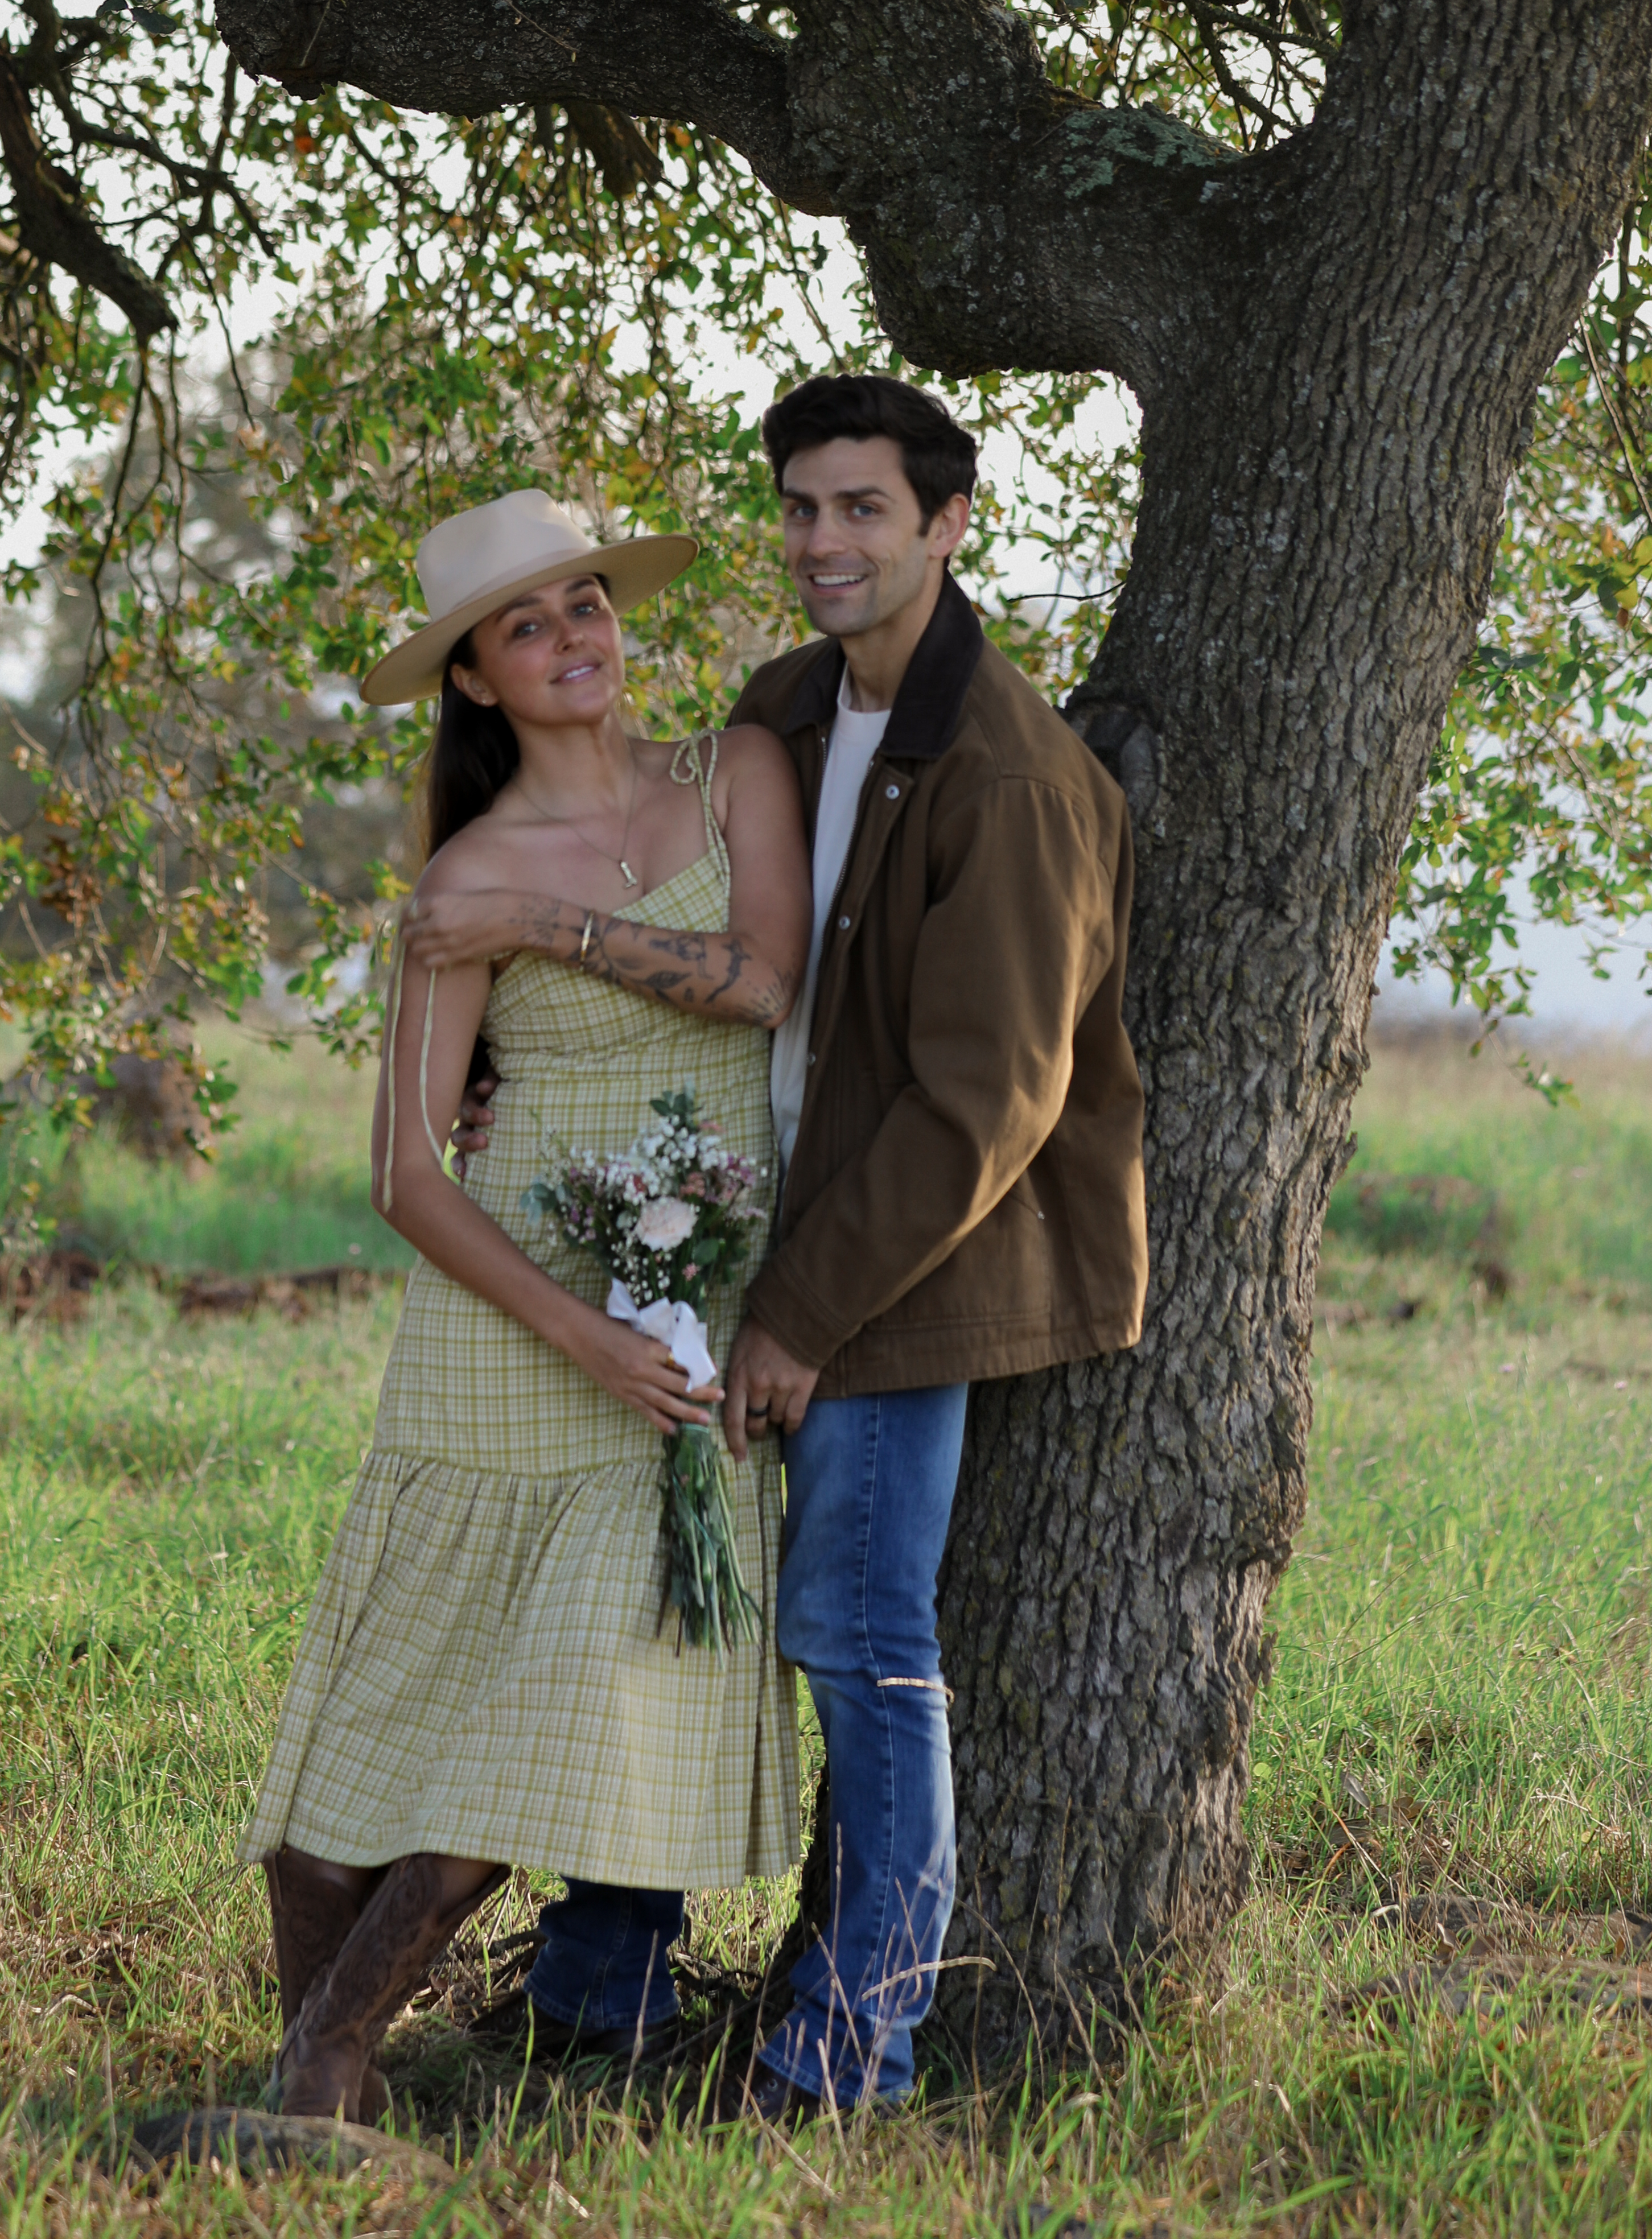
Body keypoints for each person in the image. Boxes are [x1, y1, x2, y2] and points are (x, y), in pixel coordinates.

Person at [501, 375, 1147, 2116]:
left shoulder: (1013, 776)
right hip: (729, 1236)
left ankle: (850, 2052)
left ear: (948, 523)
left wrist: (793, 1316)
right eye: (800, 509)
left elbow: (982, 1107)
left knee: (858, 1637)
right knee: (663, 1603)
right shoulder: (787, 708)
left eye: (862, 509)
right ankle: (596, 1995)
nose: (822, 543)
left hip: (899, 1280)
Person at [241, 486, 811, 2123]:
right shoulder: (460, 876)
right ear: (476, 680)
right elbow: (411, 1173)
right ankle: (318, 2075)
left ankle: (327, 2058)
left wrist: (550, 930)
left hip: (693, 1314)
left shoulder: (732, 775)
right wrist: (587, 1339)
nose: (572, 639)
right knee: (396, 1695)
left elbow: (766, 979)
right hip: (516, 1330)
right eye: (527, 625)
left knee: (581, 1674)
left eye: (586, 605)